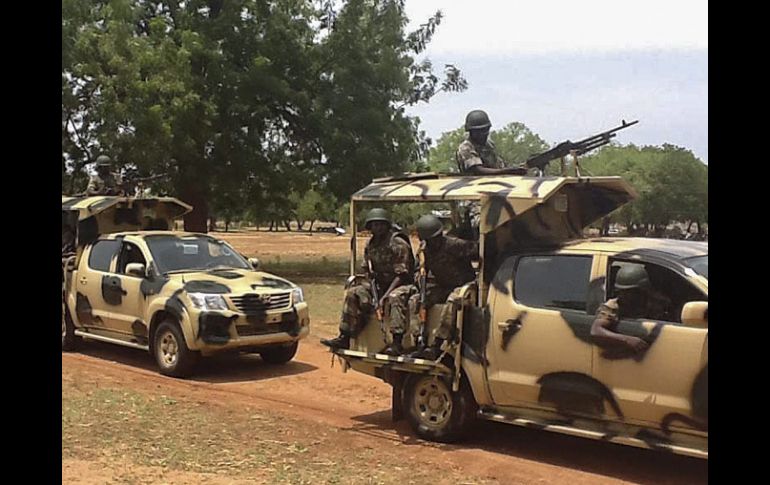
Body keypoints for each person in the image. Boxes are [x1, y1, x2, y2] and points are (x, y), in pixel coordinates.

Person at [388, 214, 479, 360]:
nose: (434, 243)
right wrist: (420, 278)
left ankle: (438, 344)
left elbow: (479, 251)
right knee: (415, 300)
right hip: (441, 286)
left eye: (436, 238)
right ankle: (419, 342)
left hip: (463, 286)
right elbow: (419, 269)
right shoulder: (424, 250)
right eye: (430, 240)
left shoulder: (454, 245)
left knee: (453, 301)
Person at [321, 208, 413, 351]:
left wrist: (385, 296)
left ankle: (396, 342)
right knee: (354, 293)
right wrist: (372, 287)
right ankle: (345, 336)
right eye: (375, 225)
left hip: (401, 284)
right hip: (379, 284)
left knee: (395, 297)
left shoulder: (398, 243)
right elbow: (367, 269)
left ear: (387, 225)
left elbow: (401, 274)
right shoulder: (370, 245)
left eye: (381, 224)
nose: (378, 228)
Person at [591, 265, 674, 353]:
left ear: (641, 290)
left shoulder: (658, 302)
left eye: (629, 292)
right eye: (621, 291)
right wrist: (627, 340)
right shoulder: (613, 305)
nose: (623, 295)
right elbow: (596, 330)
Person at [456, 110, 527, 175]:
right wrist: (508, 171)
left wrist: (521, 168)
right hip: (473, 185)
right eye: (479, 131)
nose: (483, 134)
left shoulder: (489, 144)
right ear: (471, 131)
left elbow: (499, 165)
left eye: (485, 130)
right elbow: (478, 171)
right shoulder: (466, 147)